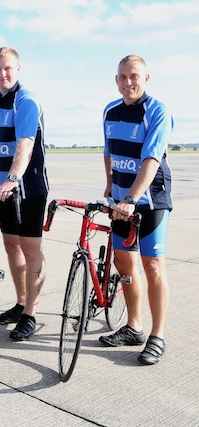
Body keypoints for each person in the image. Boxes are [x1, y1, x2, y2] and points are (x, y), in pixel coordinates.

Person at [98, 55, 173, 366]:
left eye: (134, 76)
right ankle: (134, 326)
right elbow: (108, 152)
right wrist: (109, 186)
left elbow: (151, 160)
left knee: (152, 265)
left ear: (146, 78)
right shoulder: (110, 111)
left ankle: (157, 335)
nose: (128, 82)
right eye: (123, 77)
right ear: (116, 80)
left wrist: (131, 198)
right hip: (121, 199)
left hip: (151, 199)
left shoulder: (157, 110)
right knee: (126, 265)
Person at [0, 47, 49, 341]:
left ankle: (30, 312)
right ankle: (20, 303)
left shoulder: (26, 101)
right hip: (3, 187)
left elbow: (25, 144)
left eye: (7, 69)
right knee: (10, 244)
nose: (2, 74)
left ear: (18, 69)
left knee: (31, 249)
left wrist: (14, 178)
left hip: (28, 185)